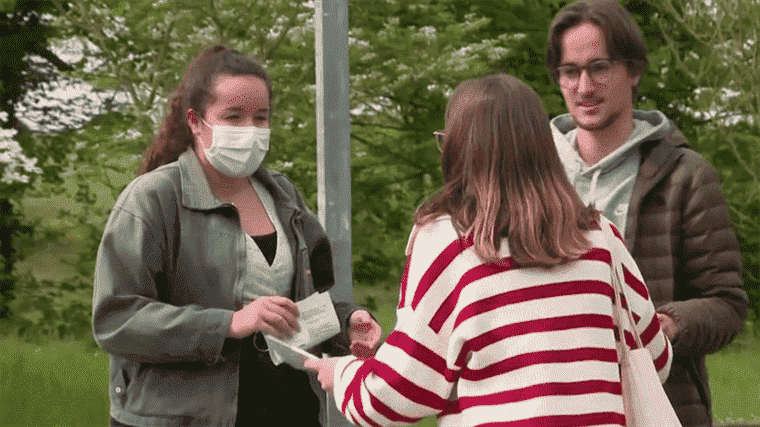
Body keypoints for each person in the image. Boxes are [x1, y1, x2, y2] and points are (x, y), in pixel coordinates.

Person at [306, 73, 673, 426]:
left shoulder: (449, 243)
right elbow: (654, 356)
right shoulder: (600, 238)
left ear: (458, 151)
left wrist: (343, 375)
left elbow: (400, 393)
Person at [92, 45, 382, 427]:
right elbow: (116, 320)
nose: (251, 130)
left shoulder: (283, 195)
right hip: (184, 416)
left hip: (286, 406)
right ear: (195, 121)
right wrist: (230, 323)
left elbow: (304, 303)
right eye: (234, 117)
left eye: (260, 118)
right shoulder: (152, 199)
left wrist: (347, 321)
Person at [544, 1, 749, 426]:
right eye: (570, 71)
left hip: (657, 406)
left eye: (599, 67)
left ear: (634, 71)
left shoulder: (686, 176)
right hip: (551, 404)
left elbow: (727, 304)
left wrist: (665, 326)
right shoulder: (534, 175)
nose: (584, 86)